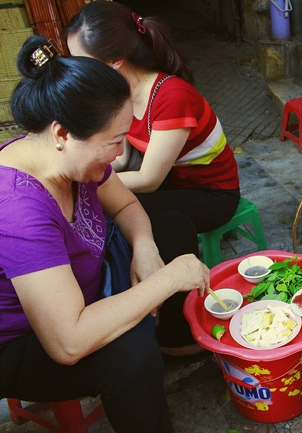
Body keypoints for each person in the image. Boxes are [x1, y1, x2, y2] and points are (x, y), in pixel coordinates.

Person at [0, 36, 210, 432]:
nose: (119, 154)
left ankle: (169, 340)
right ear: (62, 134)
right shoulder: (17, 210)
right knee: (130, 355)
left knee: (172, 224)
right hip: (25, 338)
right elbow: (68, 342)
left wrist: (145, 249)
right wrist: (165, 280)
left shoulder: (70, 157)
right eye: (115, 142)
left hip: (86, 284)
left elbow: (128, 205)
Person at [64, 0, 240, 356]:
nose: (77, 72)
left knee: (130, 209)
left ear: (115, 63)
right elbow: (125, 154)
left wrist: (85, 184)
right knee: (163, 221)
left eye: (82, 62)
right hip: (178, 187)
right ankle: (168, 317)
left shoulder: (171, 96)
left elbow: (147, 179)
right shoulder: (121, 93)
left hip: (214, 194)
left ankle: (160, 317)